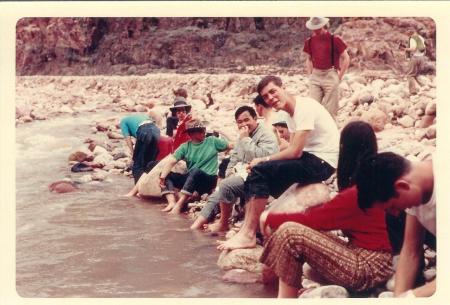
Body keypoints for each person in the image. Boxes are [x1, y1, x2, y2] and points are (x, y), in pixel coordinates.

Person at [259, 121, 393, 298]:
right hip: (381, 262)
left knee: (289, 233)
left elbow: (314, 220)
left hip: (369, 267)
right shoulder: (373, 181)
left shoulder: (357, 193)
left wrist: (269, 218)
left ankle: (284, 298)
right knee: (297, 241)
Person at [217, 75, 339, 250]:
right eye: (266, 97)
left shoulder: (304, 107)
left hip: (323, 162)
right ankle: (247, 230)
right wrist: (262, 162)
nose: (271, 98)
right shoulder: (289, 115)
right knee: (256, 171)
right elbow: (293, 150)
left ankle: (248, 234)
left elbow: (295, 151)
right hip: (311, 157)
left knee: (261, 169)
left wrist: (264, 159)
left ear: (284, 87)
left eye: (273, 92)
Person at [355, 152, 435, 298]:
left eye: (392, 206)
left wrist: (411, 297)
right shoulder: (416, 187)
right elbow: (411, 249)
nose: (396, 213)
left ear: (402, 186)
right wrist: (399, 296)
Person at [190, 105, 278, 231]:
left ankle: (223, 223)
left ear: (255, 118)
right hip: (243, 174)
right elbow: (233, 158)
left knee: (226, 186)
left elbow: (261, 157)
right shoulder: (242, 136)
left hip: (261, 177)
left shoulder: (266, 135)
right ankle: (195, 227)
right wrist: (229, 173)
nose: (244, 124)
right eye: (240, 122)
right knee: (217, 192)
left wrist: (245, 139)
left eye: (247, 120)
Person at [159, 119, 232, 214]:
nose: (204, 132)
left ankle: (179, 204)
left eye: (203, 130)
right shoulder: (185, 147)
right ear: (191, 134)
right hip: (192, 180)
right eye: (200, 131)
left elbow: (232, 145)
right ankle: (172, 202)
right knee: (165, 174)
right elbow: (171, 161)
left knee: (195, 171)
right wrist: (162, 177)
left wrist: (222, 132)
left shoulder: (212, 141)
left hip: (208, 180)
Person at [303, 17, 350, 118]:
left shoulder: (335, 39)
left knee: (331, 110)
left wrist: (339, 77)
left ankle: (331, 132)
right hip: (315, 75)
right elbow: (309, 59)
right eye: (314, 28)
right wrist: (310, 75)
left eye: (318, 28)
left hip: (330, 74)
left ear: (323, 26)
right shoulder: (309, 41)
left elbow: (346, 58)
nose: (316, 30)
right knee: (313, 108)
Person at [120, 113, 160, 183]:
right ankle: (150, 185)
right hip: (156, 131)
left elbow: (127, 138)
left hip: (144, 131)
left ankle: (138, 188)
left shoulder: (123, 121)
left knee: (137, 164)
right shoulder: (142, 116)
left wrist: (133, 154)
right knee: (150, 163)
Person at [404, 30, 427, 95]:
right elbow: (424, 48)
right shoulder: (421, 38)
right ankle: (425, 87)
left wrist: (406, 49)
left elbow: (413, 48)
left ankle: (413, 91)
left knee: (410, 75)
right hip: (422, 58)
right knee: (417, 74)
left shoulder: (412, 38)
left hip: (415, 58)